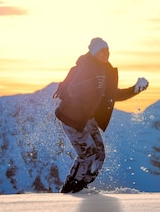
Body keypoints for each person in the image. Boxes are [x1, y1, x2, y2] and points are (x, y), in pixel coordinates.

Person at [54, 37, 149, 193]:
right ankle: (70, 189)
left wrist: (134, 90)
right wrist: (90, 83)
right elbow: (71, 90)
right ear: (93, 53)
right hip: (72, 118)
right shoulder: (84, 67)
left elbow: (113, 95)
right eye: (101, 51)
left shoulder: (105, 71)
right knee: (88, 154)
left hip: (87, 118)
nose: (105, 54)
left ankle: (81, 186)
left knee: (99, 155)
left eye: (107, 51)